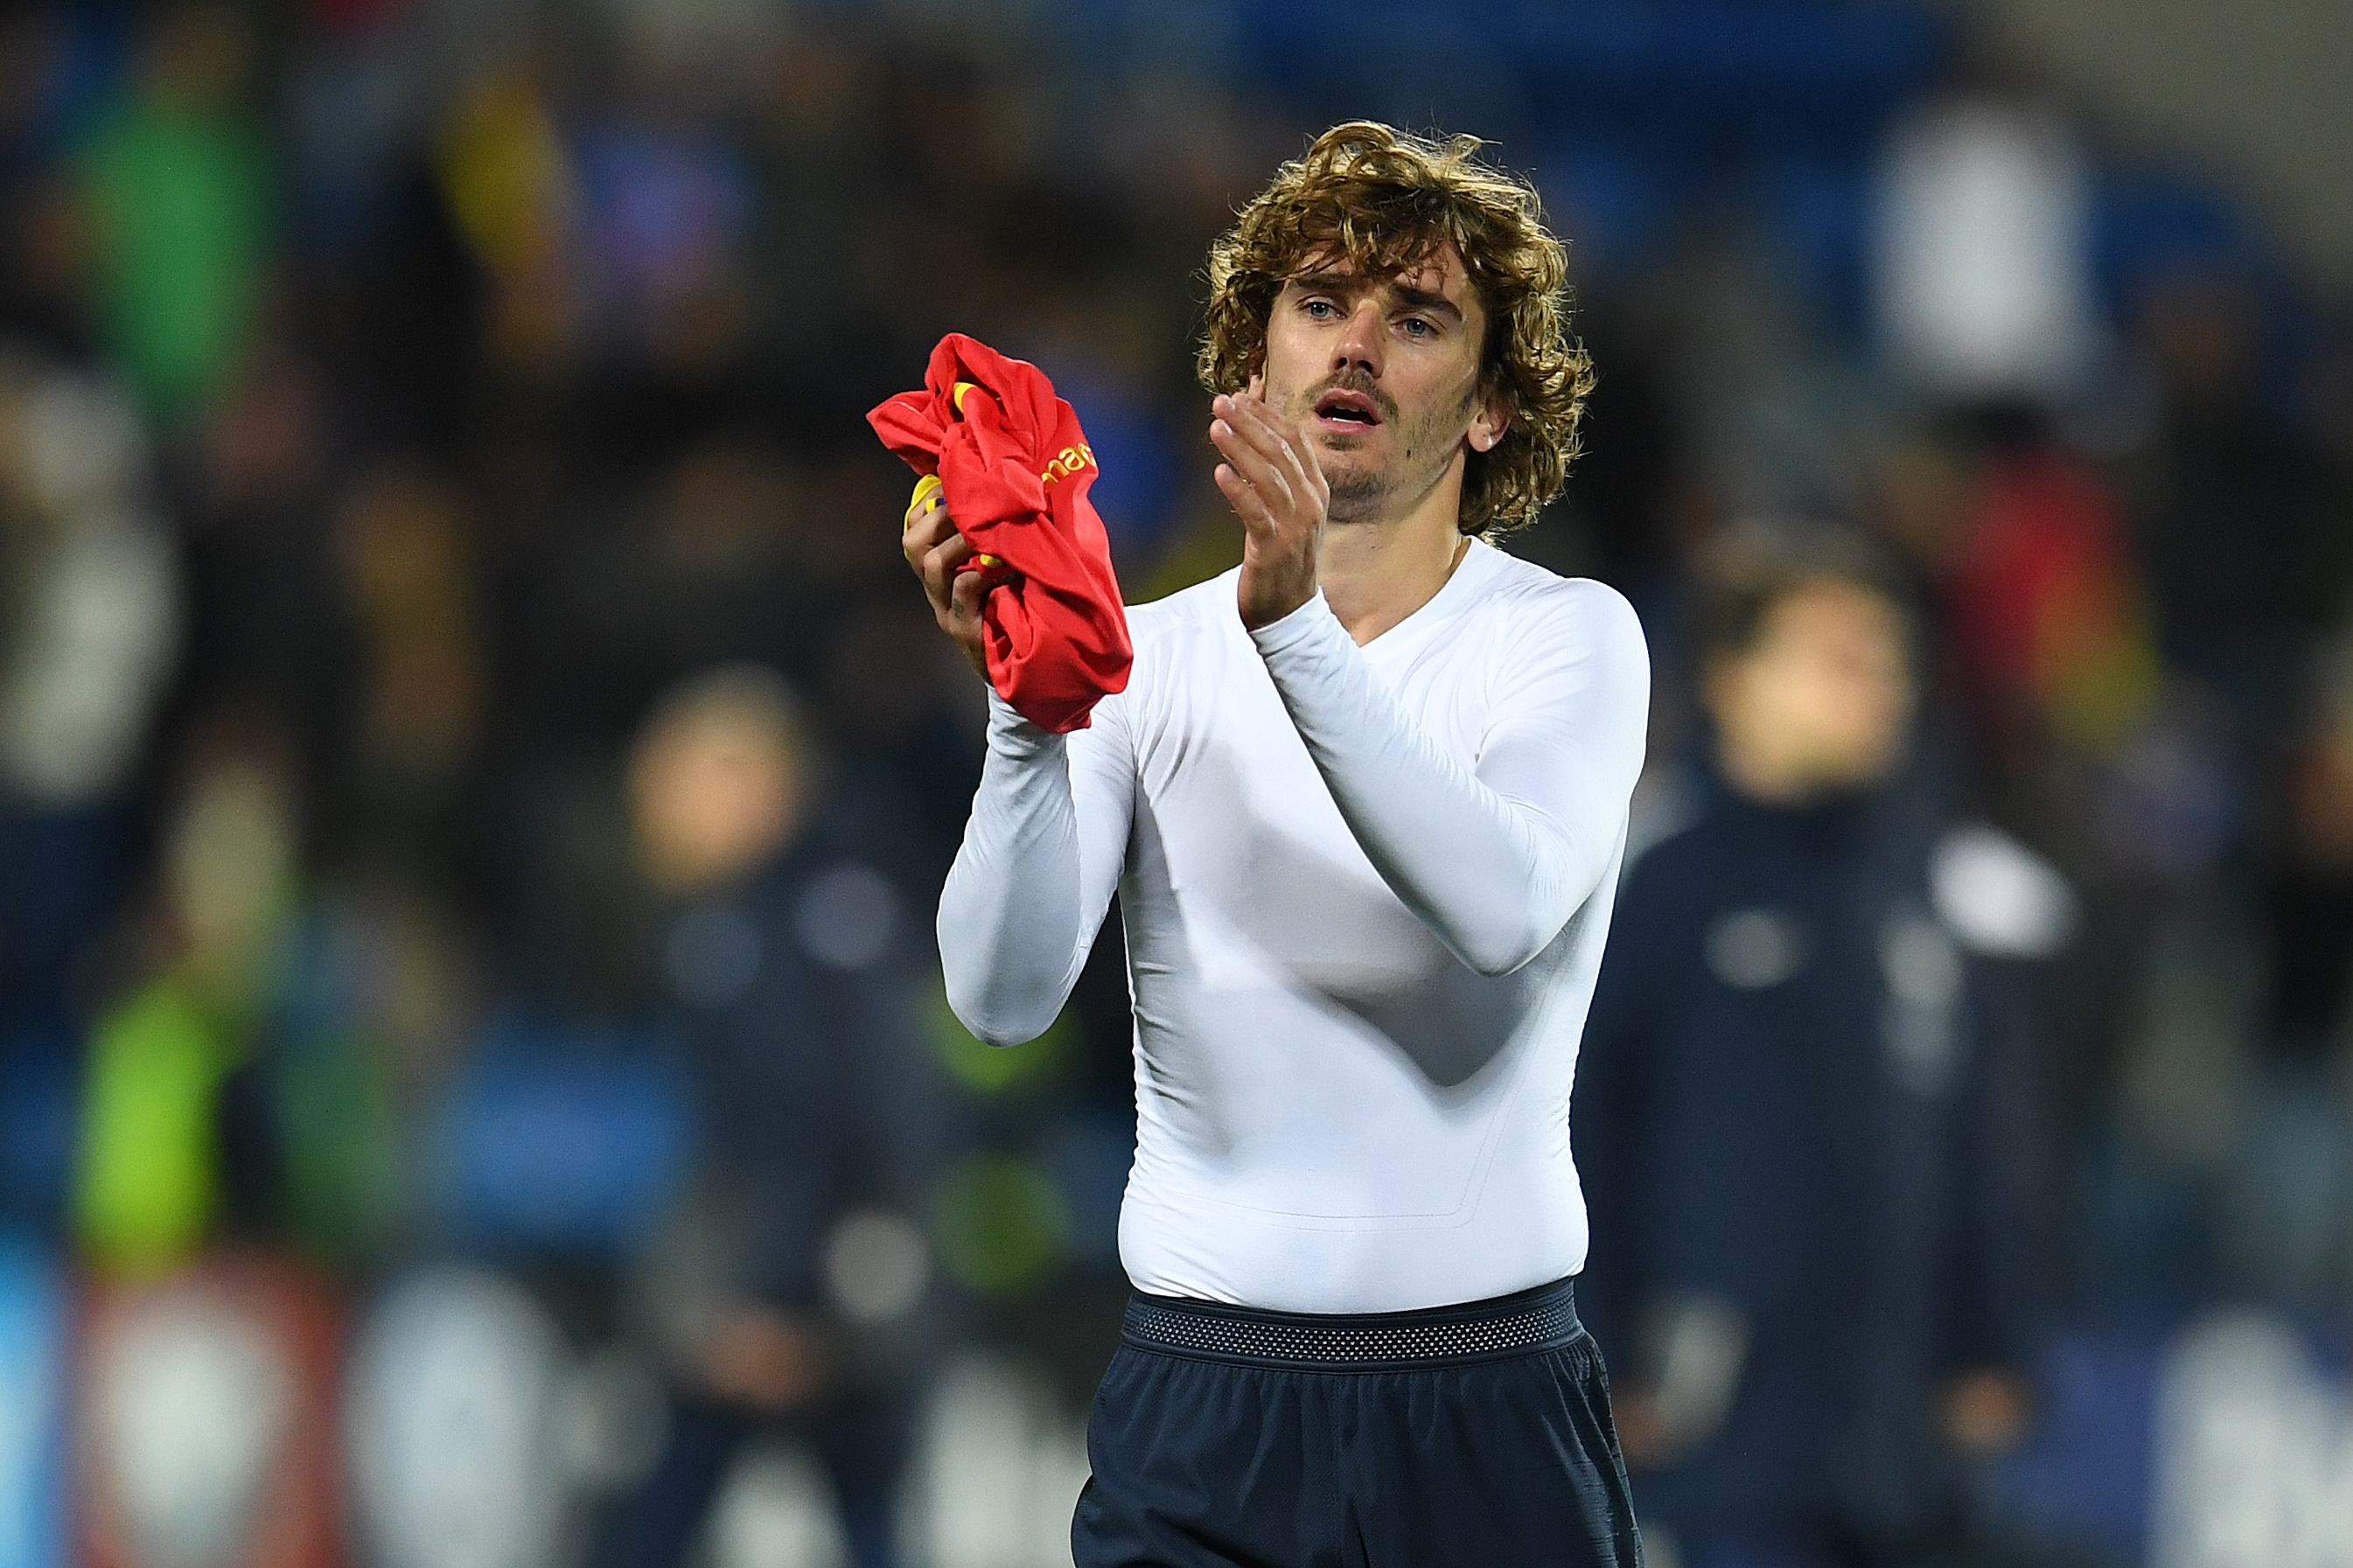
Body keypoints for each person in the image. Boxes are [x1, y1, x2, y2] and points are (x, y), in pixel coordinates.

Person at [901, 122, 1651, 1566]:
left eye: (1416, 318)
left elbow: (1496, 906)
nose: (1355, 348)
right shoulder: (1146, 661)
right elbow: (996, 1003)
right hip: (1206, 1404)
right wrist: (1024, 695)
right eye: (1319, 306)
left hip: (1482, 1406)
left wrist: (1295, 624)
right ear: (1255, 363)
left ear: (1493, 405)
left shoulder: (1568, 639)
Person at [1572, 541, 2054, 1568]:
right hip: (1721, 1435)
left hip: (1899, 1439)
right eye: (1837, 658)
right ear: (1733, 679)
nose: (1879, 690)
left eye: (1889, 664)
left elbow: (1979, 1135)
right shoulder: (1658, 884)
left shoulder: (1927, 891)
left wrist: (1988, 1338)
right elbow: (1578, 1131)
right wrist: (1595, 1349)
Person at [594, 664, 944, 1568]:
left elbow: (817, 1120)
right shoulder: (764, 916)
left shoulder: (789, 928)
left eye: (673, 778)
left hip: (810, 1297)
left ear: (756, 781)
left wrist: (777, 1300)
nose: (651, 807)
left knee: (668, 1520)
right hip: (811, 1287)